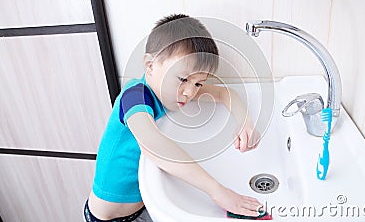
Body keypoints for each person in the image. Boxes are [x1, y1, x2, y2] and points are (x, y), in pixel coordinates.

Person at [84, 14, 263, 221]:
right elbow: (155, 146)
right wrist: (218, 191)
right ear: (150, 65)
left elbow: (226, 94)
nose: (190, 92)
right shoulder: (134, 95)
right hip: (106, 218)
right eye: (183, 79)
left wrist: (245, 122)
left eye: (197, 83)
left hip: (142, 208)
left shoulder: (170, 94)